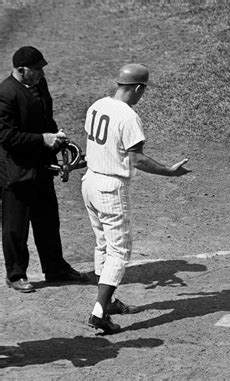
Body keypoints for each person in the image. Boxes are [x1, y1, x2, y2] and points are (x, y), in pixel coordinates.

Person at [82, 63, 191, 334]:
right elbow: (136, 159)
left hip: (89, 182)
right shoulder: (128, 117)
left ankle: (108, 301)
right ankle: (99, 312)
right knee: (119, 252)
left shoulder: (96, 105)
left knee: (103, 245)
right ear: (139, 88)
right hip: (110, 187)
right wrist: (169, 171)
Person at [0, 46, 88, 293]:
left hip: (41, 166)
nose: (41, 73)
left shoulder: (39, 84)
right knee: (15, 226)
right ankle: (16, 274)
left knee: (48, 221)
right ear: (21, 70)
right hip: (16, 172)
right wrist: (42, 139)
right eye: (36, 69)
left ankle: (55, 268)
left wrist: (57, 138)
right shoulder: (6, 94)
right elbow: (7, 137)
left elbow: (46, 118)